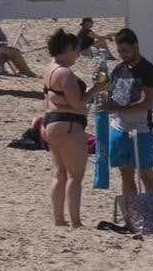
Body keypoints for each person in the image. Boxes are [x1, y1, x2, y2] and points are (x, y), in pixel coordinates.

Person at [41, 29, 107, 228]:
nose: (78, 55)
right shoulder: (65, 73)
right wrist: (95, 90)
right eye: (77, 51)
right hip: (68, 125)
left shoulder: (49, 69)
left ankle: (59, 219)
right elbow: (77, 104)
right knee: (75, 176)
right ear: (68, 49)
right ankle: (76, 222)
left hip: (51, 123)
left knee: (60, 173)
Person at [101, 29, 153, 198]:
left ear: (135, 46)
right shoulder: (119, 69)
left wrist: (116, 108)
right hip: (118, 130)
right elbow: (108, 93)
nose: (122, 55)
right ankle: (133, 217)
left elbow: (145, 103)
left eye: (125, 50)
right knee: (126, 176)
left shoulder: (147, 70)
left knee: (146, 177)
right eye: (119, 51)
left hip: (140, 131)